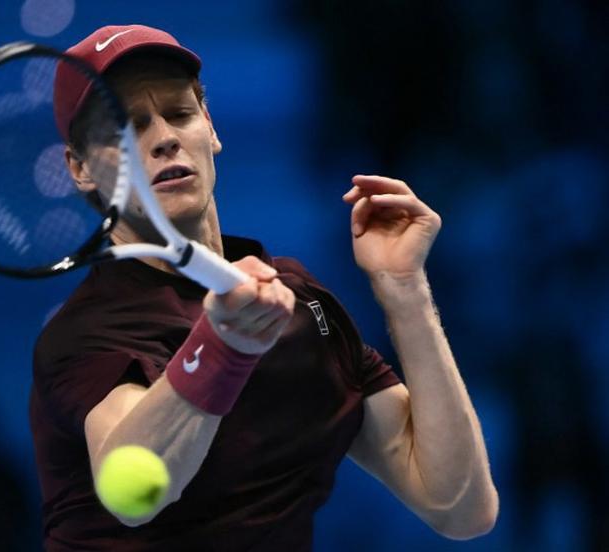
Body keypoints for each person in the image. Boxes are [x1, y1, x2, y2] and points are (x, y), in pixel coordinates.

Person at [29, 24, 498, 551]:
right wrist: (224, 345)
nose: (163, 137)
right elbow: (132, 492)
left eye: (180, 114)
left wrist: (405, 291)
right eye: (127, 127)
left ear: (210, 128)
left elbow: (460, 507)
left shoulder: (299, 299)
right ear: (80, 168)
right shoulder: (85, 334)